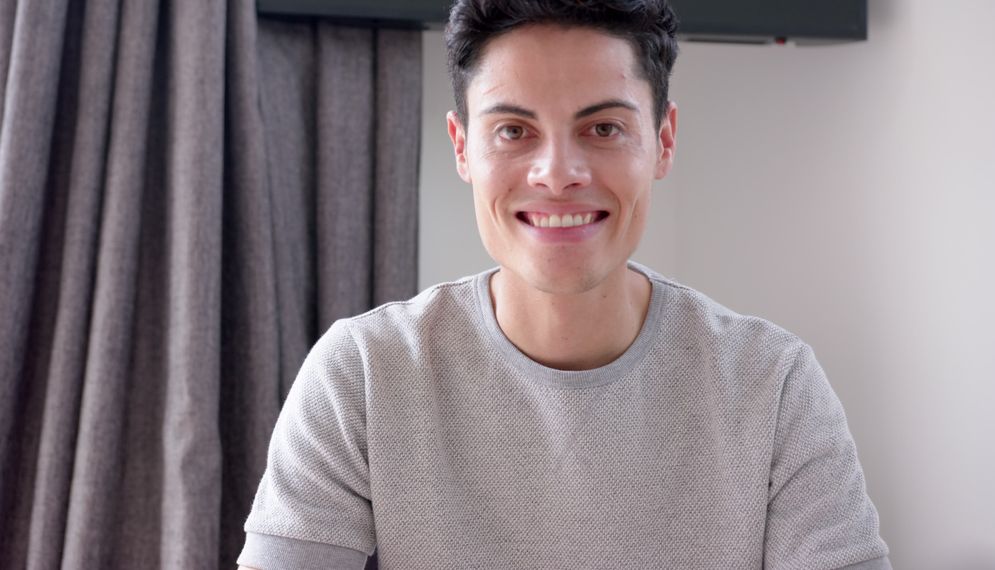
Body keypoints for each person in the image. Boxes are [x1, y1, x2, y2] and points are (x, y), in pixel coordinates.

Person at [237, 0, 892, 568]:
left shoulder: (775, 386)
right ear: (463, 147)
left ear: (662, 141)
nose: (557, 173)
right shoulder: (362, 375)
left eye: (603, 128)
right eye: (514, 131)